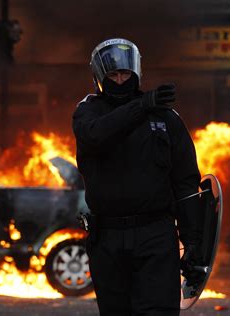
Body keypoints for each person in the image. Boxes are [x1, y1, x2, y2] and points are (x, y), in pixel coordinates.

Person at [72, 38, 204, 315]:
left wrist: (194, 242)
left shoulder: (166, 118)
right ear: (99, 76)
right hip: (106, 237)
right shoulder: (88, 110)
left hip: (155, 235)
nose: (120, 81)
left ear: (136, 73)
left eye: (125, 74)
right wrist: (143, 106)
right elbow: (95, 136)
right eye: (113, 75)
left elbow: (185, 182)